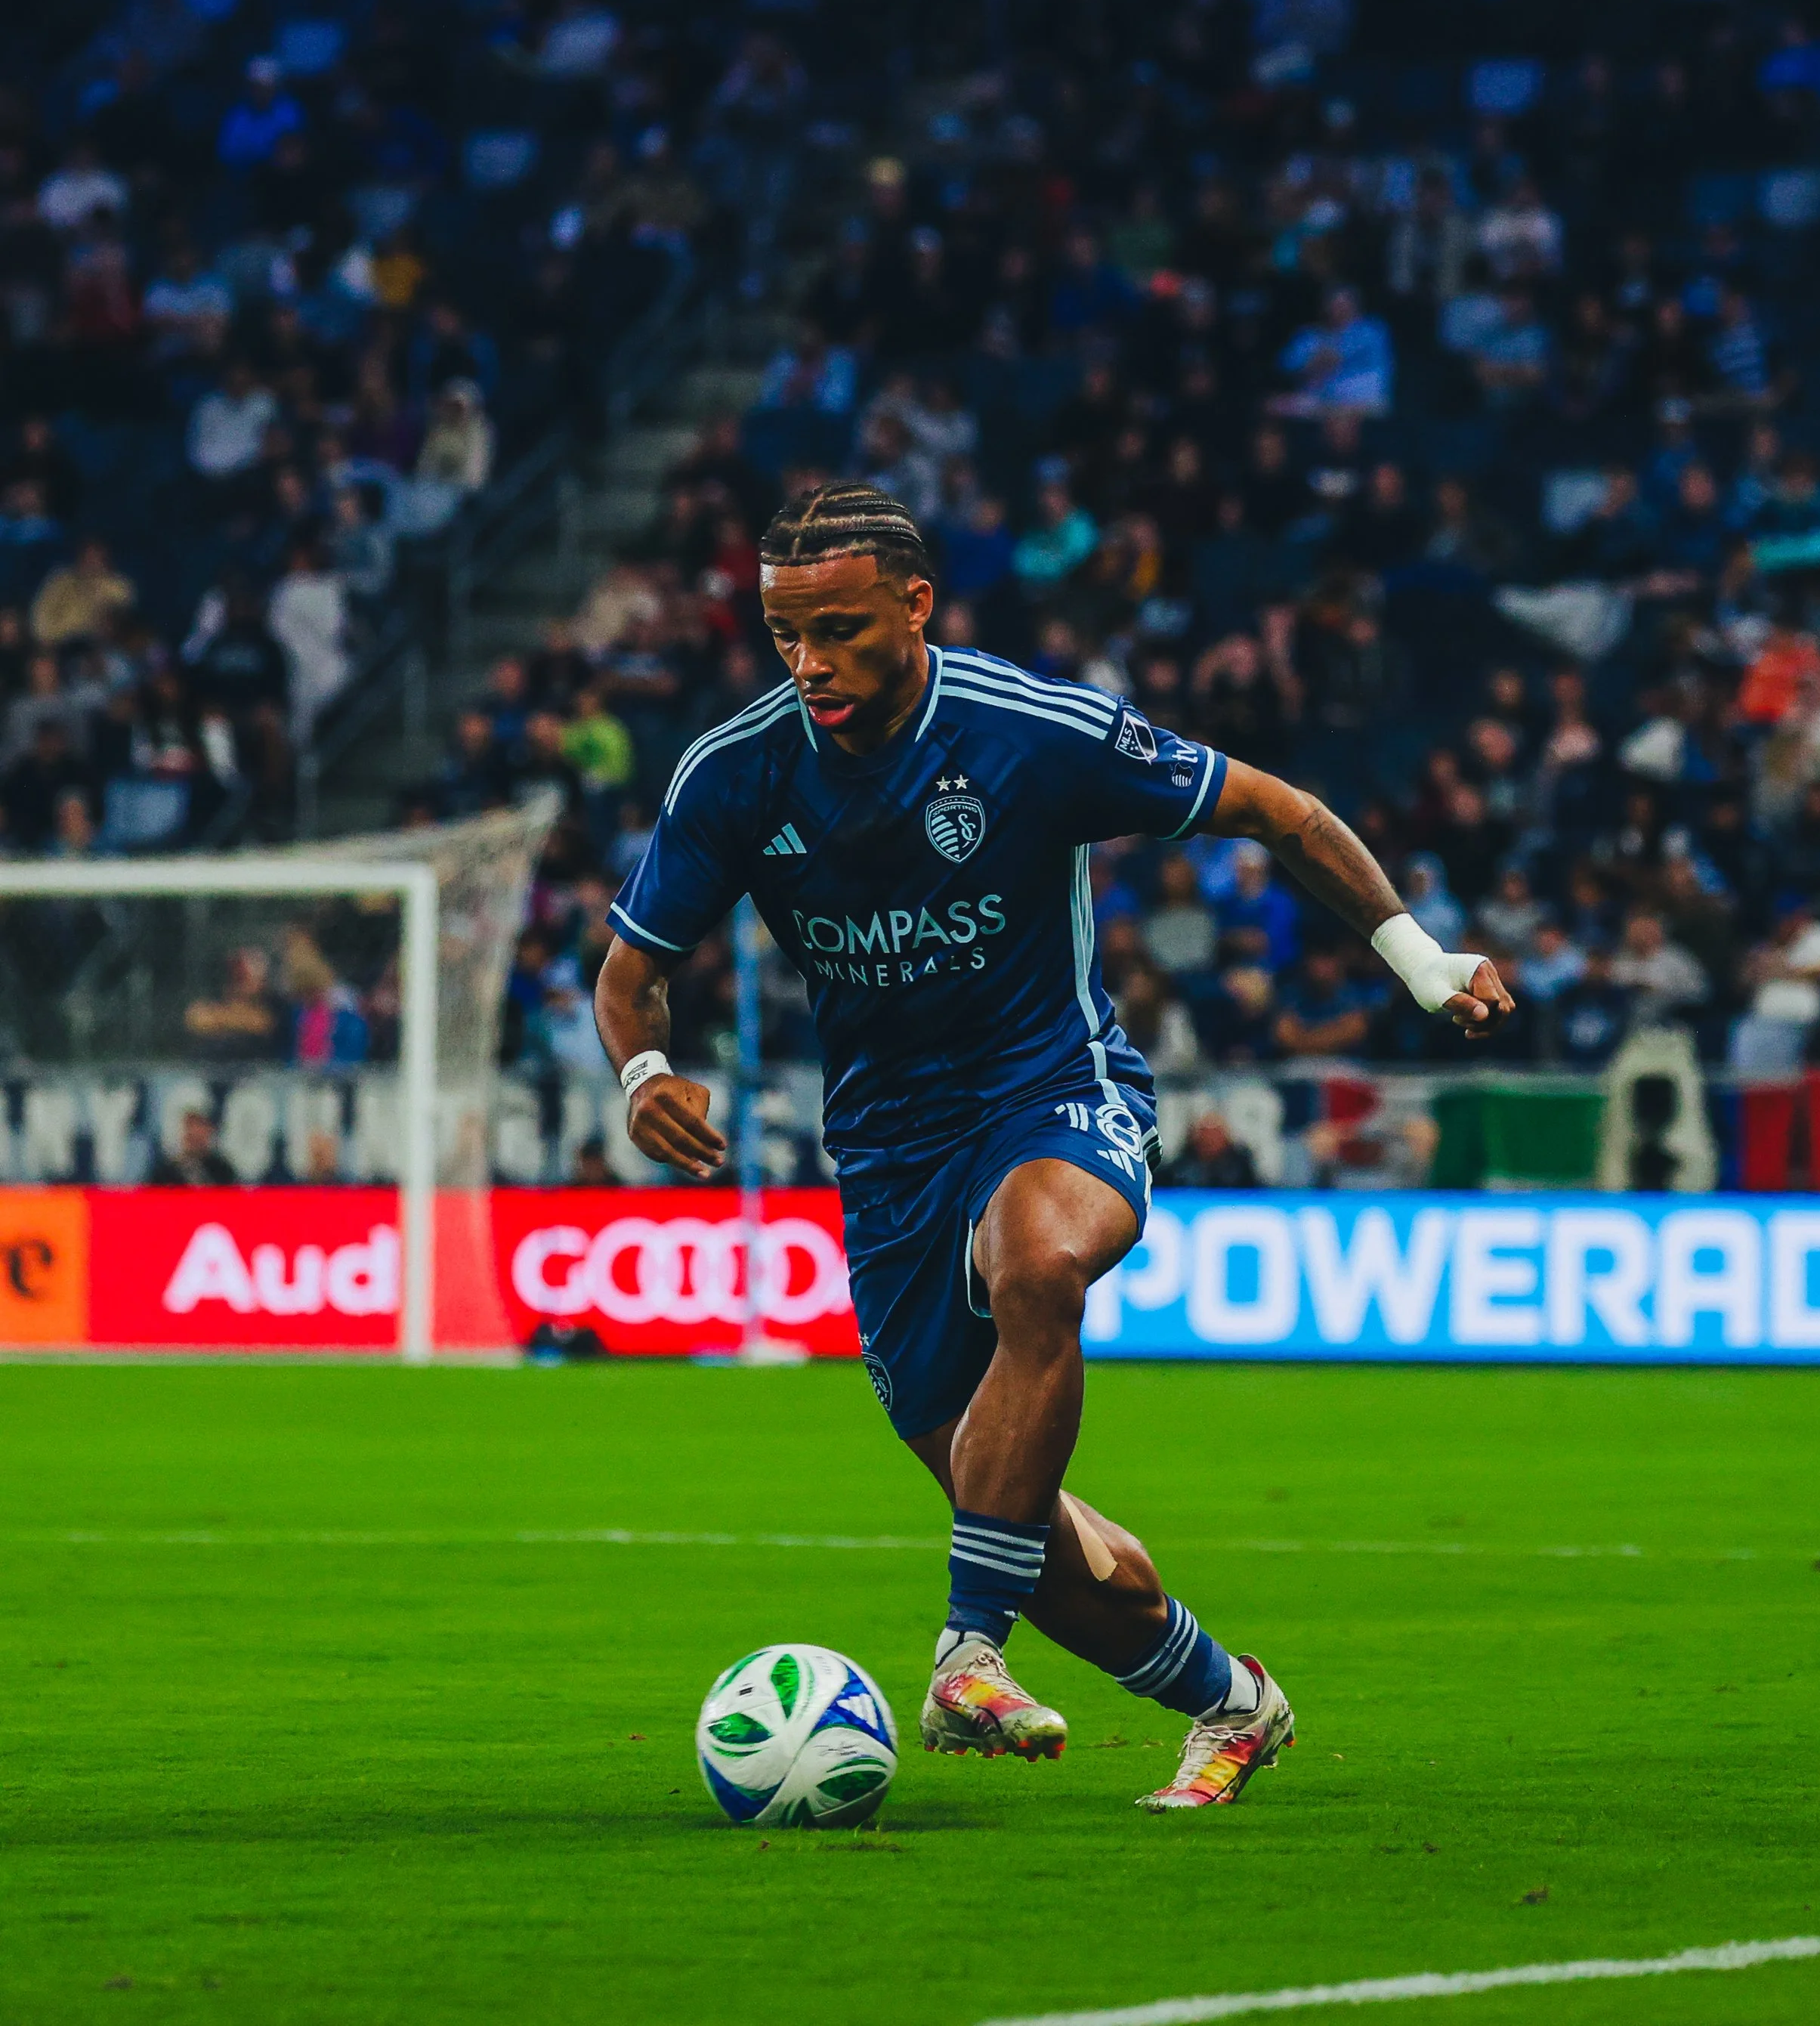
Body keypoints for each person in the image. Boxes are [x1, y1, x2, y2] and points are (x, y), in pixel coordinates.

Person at [593, 483, 1511, 1811]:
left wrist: (1420, 961)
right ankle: (1231, 1702)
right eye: (783, 634)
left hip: (1053, 1084)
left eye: (839, 630)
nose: (809, 665)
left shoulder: (1033, 730)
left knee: (1038, 1265)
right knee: (1025, 1530)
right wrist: (643, 1071)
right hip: (889, 1155)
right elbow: (633, 972)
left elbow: (1284, 813)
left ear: (916, 607)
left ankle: (967, 1653)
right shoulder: (736, 771)